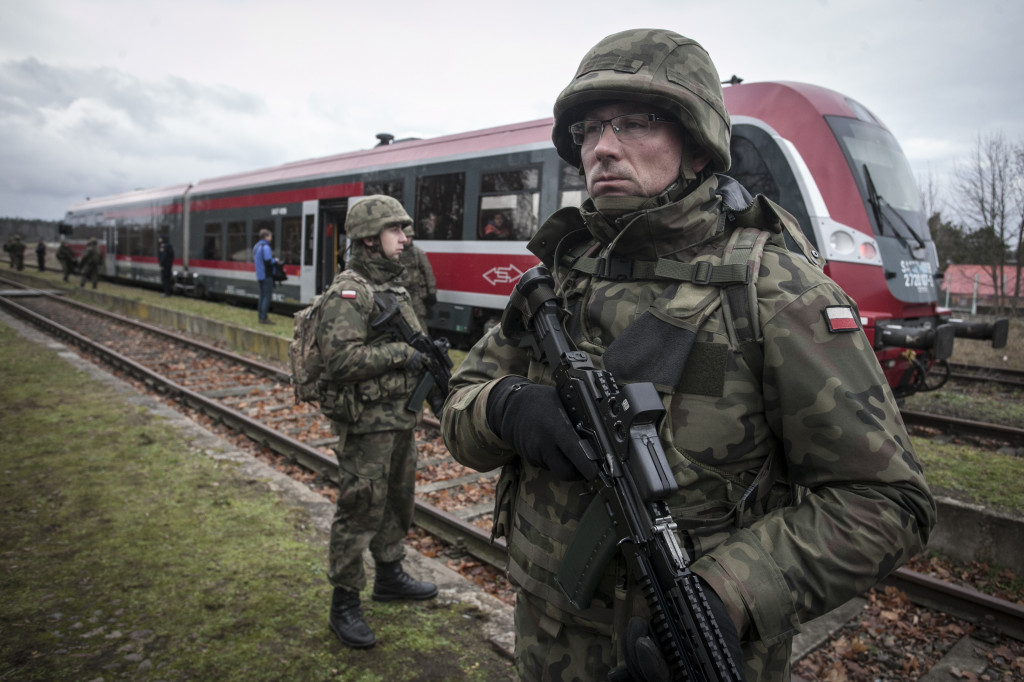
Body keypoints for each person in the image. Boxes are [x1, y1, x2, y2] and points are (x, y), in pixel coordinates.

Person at [440, 29, 936, 682]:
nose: (602, 147)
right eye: (588, 129)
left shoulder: (775, 290)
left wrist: (727, 595)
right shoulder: (561, 278)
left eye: (634, 123)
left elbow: (887, 503)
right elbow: (459, 404)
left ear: (697, 144)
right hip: (547, 650)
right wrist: (505, 406)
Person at [316, 195, 438, 650]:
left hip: (399, 418)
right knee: (359, 508)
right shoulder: (350, 292)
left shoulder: (396, 287)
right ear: (370, 238)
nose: (405, 240)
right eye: (396, 231)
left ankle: (389, 576)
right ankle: (344, 602)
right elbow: (341, 360)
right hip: (367, 423)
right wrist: (403, 354)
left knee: (397, 502)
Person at [399, 225, 438, 330]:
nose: (407, 240)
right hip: (401, 291)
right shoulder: (397, 252)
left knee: (419, 319)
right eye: (405, 237)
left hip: (416, 292)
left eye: (409, 237)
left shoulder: (417, 253)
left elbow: (428, 272)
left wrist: (432, 292)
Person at [253, 228, 277, 324]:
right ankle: (264, 318)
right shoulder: (266, 247)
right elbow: (268, 261)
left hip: (260, 275)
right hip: (267, 275)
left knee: (262, 296)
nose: (271, 238)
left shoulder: (257, 246)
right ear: (266, 236)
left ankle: (260, 316)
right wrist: (275, 260)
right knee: (267, 296)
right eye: (270, 236)